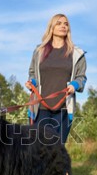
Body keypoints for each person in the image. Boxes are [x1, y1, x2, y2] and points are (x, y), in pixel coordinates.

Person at [26, 13, 87, 144]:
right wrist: (32, 82)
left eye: (66, 24)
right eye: (59, 23)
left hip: (63, 109)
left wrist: (75, 85)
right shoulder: (39, 51)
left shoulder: (77, 54)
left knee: (56, 151)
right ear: (51, 28)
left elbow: (81, 77)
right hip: (40, 109)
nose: (63, 26)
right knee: (37, 149)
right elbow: (33, 73)